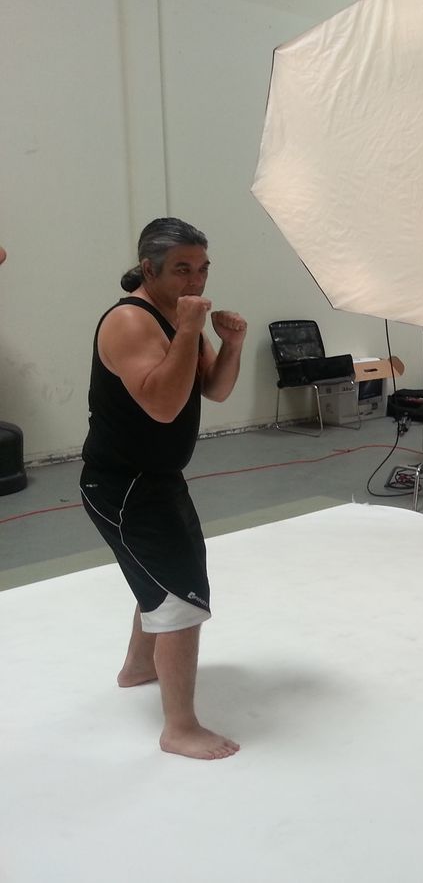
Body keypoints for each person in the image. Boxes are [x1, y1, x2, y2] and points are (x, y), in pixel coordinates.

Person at [79, 217, 246, 760]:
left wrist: (232, 344)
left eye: (202, 269)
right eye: (181, 270)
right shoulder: (130, 322)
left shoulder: (178, 316)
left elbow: (214, 389)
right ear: (149, 269)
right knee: (182, 594)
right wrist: (191, 331)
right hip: (124, 485)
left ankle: (138, 667)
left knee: (162, 578)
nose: (195, 281)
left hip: (154, 479)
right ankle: (179, 728)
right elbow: (163, 406)